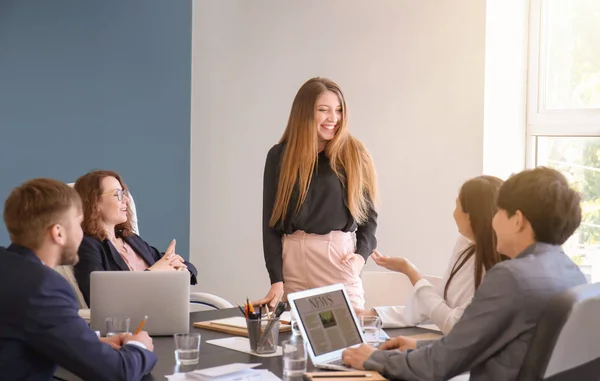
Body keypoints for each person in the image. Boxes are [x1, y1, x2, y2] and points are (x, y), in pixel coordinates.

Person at [342, 167, 587, 381]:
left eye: (499, 211)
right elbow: (499, 347)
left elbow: (436, 367)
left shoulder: (512, 278)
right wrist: (424, 346)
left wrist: (373, 358)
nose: (493, 221)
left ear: (518, 221)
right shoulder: (571, 273)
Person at [0, 178, 156, 380]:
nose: (83, 234)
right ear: (58, 233)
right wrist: (140, 346)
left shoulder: (8, 268)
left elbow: (25, 332)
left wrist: (91, 342)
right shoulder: (43, 288)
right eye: (79, 224)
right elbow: (118, 372)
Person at [255, 77, 378, 309]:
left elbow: (369, 219)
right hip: (293, 262)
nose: (333, 118)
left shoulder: (353, 154)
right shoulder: (279, 156)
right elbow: (270, 224)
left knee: (344, 339)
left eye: (339, 110)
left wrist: (360, 258)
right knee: (295, 340)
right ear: (304, 113)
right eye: (324, 110)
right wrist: (277, 279)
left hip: (336, 260)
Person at [357, 176, 505, 334]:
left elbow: (453, 324)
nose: (454, 214)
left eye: (457, 205)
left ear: (471, 215)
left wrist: (412, 273)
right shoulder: (465, 244)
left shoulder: (499, 271)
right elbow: (436, 307)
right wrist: (374, 316)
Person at [73, 170, 198, 306]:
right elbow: (99, 296)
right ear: (94, 203)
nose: (126, 200)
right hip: (128, 324)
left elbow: (183, 265)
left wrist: (181, 270)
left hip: (163, 313)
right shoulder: (86, 246)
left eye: (124, 193)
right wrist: (154, 273)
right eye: (118, 195)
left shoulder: (131, 240)